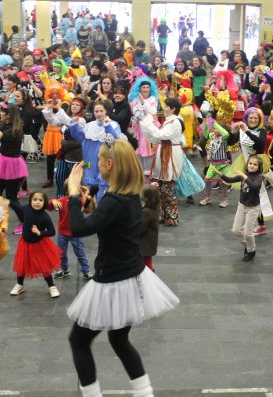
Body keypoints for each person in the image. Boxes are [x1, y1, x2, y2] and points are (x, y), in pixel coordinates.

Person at [66, 140, 179, 397]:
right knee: (118, 339)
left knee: (78, 341)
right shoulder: (128, 197)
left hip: (111, 281)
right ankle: (144, 393)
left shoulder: (114, 200)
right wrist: (94, 207)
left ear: (109, 164)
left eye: (100, 159)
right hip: (132, 277)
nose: (97, 164)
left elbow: (79, 229)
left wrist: (73, 194)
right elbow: (109, 224)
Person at [139, 97, 184, 226]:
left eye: (166, 107)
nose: (164, 109)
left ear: (173, 109)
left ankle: (172, 217)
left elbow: (160, 135)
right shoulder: (168, 121)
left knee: (168, 186)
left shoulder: (175, 122)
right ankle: (164, 215)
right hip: (164, 152)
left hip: (170, 155)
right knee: (162, 187)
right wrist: (147, 126)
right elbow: (156, 137)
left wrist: (150, 122)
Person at [9, 191, 62, 298]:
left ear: (44, 202)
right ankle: (20, 284)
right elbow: (17, 207)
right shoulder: (26, 209)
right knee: (22, 264)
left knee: (44, 265)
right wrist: (7, 201)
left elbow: (52, 232)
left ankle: (51, 286)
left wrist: (40, 233)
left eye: (40, 200)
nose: (37, 202)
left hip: (39, 244)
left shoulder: (45, 216)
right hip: (25, 243)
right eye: (35, 200)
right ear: (30, 201)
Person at [211, 155, 264, 262]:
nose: (252, 166)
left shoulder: (259, 177)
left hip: (253, 208)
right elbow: (229, 180)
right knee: (236, 230)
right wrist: (219, 174)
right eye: (250, 163)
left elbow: (254, 186)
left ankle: (251, 250)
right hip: (242, 205)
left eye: (255, 164)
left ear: (258, 167)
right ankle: (249, 247)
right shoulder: (243, 175)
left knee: (248, 233)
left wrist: (244, 176)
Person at [0, 103, 28, 235]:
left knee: (11, 198)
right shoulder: (8, 125)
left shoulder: (15, 129)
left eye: (2, 112)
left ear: (9, 115)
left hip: (12, 165)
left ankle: (24, 221)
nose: (0, 114)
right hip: (4, 162)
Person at [48, 186, 92, 280]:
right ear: (68, 190)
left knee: (80, 253)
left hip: (76, 233)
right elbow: (49, 206)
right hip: (62, 233)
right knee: (61, 253)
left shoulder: (80, 200)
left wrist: (87, 199)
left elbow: (87, 210)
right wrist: (52, 201)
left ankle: (86, 271)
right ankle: (65, 270)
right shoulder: (62, 200)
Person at [199, 120, 231, 207]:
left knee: (223, 182)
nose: (215, 130)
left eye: (217, 129)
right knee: (207, 179)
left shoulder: (224, 138)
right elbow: (205, 135)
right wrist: (206, 125)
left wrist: (215, 124)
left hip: (223, 164)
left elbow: (226, 133)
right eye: (214, 129)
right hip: (213, 163)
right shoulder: (212, 135)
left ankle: (225, 200)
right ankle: (207, 197)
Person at [139, 184, 160, 272]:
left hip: (144, 243)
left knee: (145, 262)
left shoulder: (146, 212)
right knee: (148, 259)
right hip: (150, 243)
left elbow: (140, 229)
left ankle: (149, 274)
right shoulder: (154, 209)